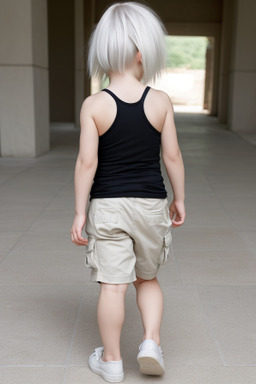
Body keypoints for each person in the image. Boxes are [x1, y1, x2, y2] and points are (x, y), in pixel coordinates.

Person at [70, 2, 185, 382]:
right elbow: (172, 157)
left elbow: (87, 163)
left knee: (113, 287)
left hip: (108, 207)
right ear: (142, 52)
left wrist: (79, 212)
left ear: (103, 50)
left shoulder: (95, 105)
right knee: (147, 279)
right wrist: (178, 198)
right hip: (152, 205)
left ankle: (113, 361)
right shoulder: (160, 101)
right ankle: (150, 342)